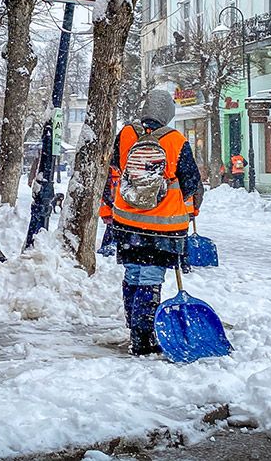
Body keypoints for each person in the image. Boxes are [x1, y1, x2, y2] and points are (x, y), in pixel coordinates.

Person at [102, 89, 203, 356]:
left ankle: (133, 324)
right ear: (168, 114)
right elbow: (191, 182)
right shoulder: (176, 140)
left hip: (125, 221)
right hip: (162, 226)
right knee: (150, 276)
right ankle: (144, 338)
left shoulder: (125, 134)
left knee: (133, 273)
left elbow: (115, 169)